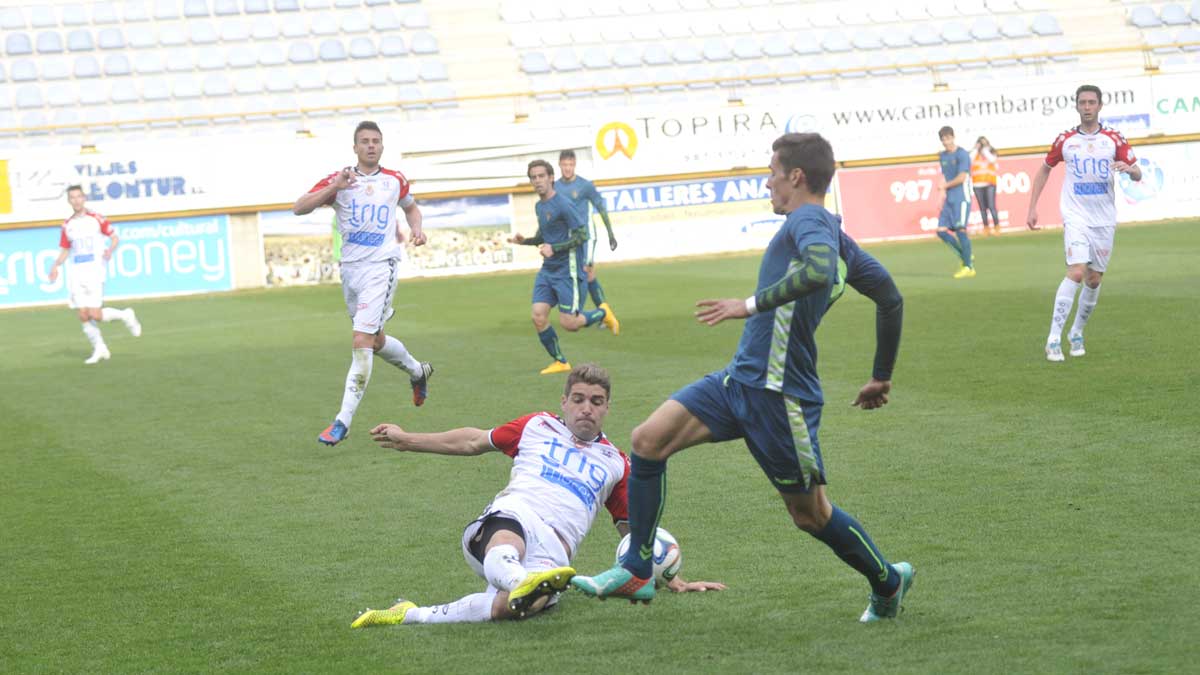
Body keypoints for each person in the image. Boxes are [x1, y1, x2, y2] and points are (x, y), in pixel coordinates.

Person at [571, 133, 915, 624]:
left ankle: (887, 579)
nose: (768, 181)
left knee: (811, 514)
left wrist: (746, 305)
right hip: (739, 382)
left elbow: (819, 271)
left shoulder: (811, 220)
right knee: (647, 442)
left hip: (779, 397)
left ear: (797, 177)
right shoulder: (839, 238)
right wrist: (881, 376)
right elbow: (890, 298)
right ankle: (638, 567)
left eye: (773, 172)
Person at [350, 364, 725, 627]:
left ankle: (410, 613)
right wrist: (407, 440)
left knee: (507, 611)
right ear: (564, 401)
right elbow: (472, 440)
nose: (586, 408)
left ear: (607, 408)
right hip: (514, 516)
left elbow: (635, 533)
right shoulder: (537, 425)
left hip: (555, 550)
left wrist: (670, 577)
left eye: (596, 401)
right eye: (578, 398)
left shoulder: (617, 463)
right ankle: (520, 581)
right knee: (509, 537)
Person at [293, 120, 434, 446]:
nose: (371, 145)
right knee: (375, 339)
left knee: (360, 339)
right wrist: (335, 189)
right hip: (352, 271)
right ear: (355, 147)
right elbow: (299, 207)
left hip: (382, 267)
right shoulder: (340, 179)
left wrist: (417, 228)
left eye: (376, 141)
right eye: (365, 141)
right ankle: (418, 371)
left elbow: (411, 208)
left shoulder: (394, 180)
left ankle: (342, 420)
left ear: (382, 146)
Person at [1026, 84, 1141, 362]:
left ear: (1100, 106)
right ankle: (1053, 338)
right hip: (1075, 216)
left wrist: (1129, 169)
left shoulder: (1114, 139)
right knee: (1076, 271)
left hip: (1103, 220)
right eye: (1082, 102)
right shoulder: (1065, 140)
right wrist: (1032, 207)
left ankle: (1076, 331)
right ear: (1076, 106)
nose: (1087, 107)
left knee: (1093, 279)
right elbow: (1044, 169)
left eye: (1092, 102)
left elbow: (1138, 173)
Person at [508, 160, 618, 376]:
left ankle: (602, 312)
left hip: (567, 271)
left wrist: (555, 248)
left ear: (551, 178)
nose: (537, 181)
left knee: (570, 323)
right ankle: (561, 361)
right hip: (548, 270)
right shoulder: (540, 206)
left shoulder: (564, 204)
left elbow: (582, 235)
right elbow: (543, 237)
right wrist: (525, 241)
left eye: (541, 176)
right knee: (538, 316)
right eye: (533, 177)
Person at [46, 185, 141, 364]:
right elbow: (66, 249)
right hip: (76, 273)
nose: (76, 200)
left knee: (95, 314)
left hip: (95, 271)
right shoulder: (68, 225)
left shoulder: (96, 219)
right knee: (83, 314)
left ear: (84, 198)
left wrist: (110, 250)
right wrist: (56, 265)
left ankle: (126, 315)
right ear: (69, 201)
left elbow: (114, 237)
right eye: (72, 197)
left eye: (78, 196)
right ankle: (100, 349)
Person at [556, 150, 620, 328]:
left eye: (571, 164)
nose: (568, 168)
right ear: (560, 165)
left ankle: (592, 313)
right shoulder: (555, 187)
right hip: (571, 238)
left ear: (574, 165)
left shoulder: (585, 185)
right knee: (582, 274)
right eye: (565, 164)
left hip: (588, 237)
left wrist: (610, 233)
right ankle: (603, 313)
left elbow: (601, 207)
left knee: (586, 270)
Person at [935, 126, 975, 278]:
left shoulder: (962, 154)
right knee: (941, 231)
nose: (946, 142)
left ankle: (968, 267)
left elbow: (962, 177)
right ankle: (965, 255)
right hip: (949, 199)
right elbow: (945, 176)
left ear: (953, 137)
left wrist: (944, 186)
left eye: (948, 138)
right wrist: (941, 195)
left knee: (960, 229)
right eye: (943, 139)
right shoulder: (943, 156)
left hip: (962, 197)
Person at [971, 136, 1001, 236]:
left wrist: (984, 149)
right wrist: (976, 149)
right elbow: (969, 161)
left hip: (989, 183)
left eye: (984, 143)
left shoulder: (991, 152)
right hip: (977, 184)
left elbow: (992, 160)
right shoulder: (975, 154)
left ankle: (997, 227)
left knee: (992, 206)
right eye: (981, 143)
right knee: (982, 208)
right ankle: (986, 228)